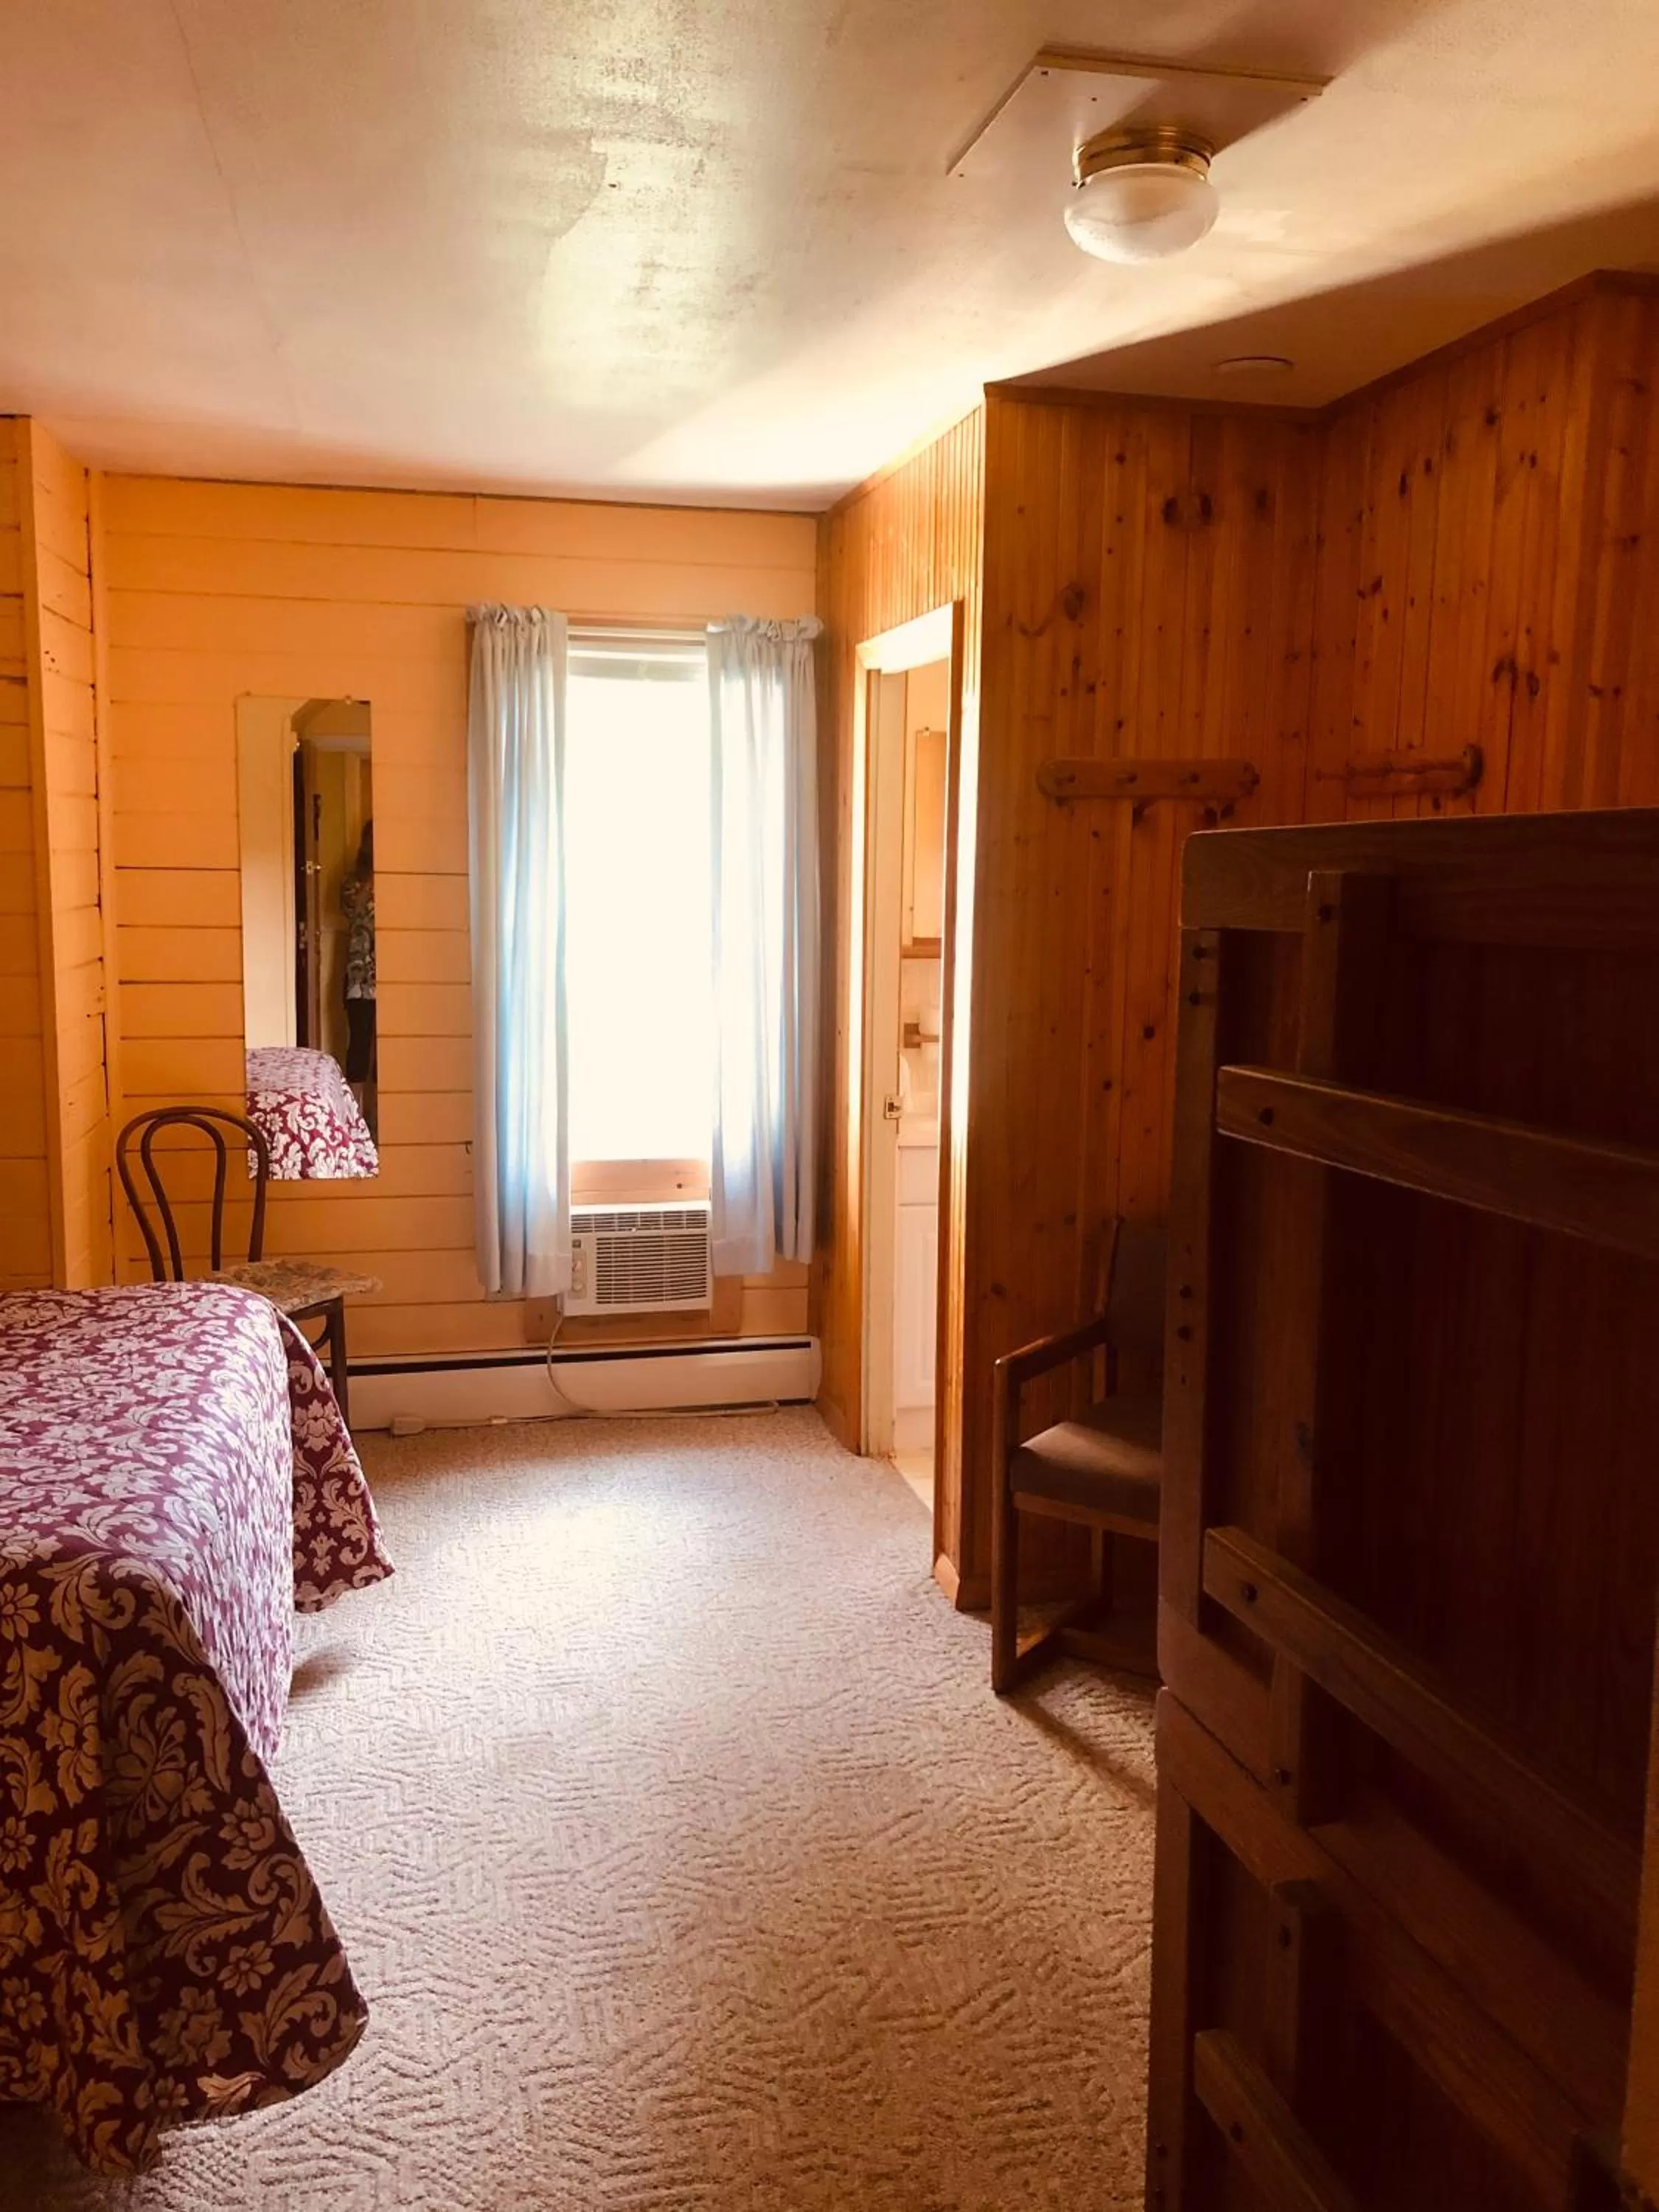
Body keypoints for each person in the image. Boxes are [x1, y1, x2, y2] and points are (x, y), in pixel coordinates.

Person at [340, 819, 376, 1088]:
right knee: (360, 1046)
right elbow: (352, 910)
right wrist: (372, 878)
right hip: (359, 978)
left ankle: (379, 1116)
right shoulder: (352, 880)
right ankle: (356, 1116)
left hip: (392, 975)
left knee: (389, 1053)